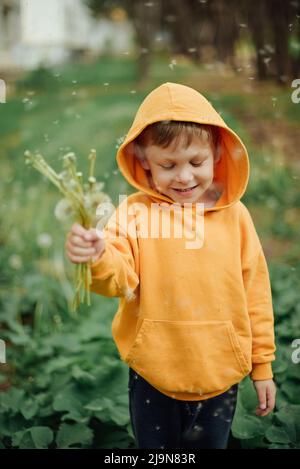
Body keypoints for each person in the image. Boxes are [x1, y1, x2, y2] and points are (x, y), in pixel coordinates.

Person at [65, 82, 276, 449]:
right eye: (168, 165)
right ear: (144, 159)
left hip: (220, 373)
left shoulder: (235, 217)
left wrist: (262, 366)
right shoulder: (132, 214)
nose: (184, 177)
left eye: (196, 162)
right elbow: (117, 277)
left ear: (217, 153)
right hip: (154, 373)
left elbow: (255, 292)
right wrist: (98, 255)